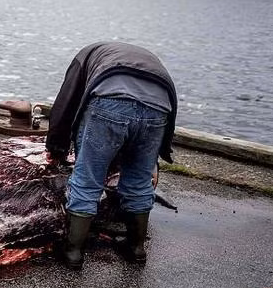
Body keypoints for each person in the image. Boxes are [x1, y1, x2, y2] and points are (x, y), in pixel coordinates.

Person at [45, 41, 177, 269]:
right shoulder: (139, 56)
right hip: (160, 106)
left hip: (111, 101)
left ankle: (73, 252)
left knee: (88, 179)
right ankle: (136, 248)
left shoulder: (84, 56)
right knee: (138, 180)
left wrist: (56, 147)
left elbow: (66, 103)